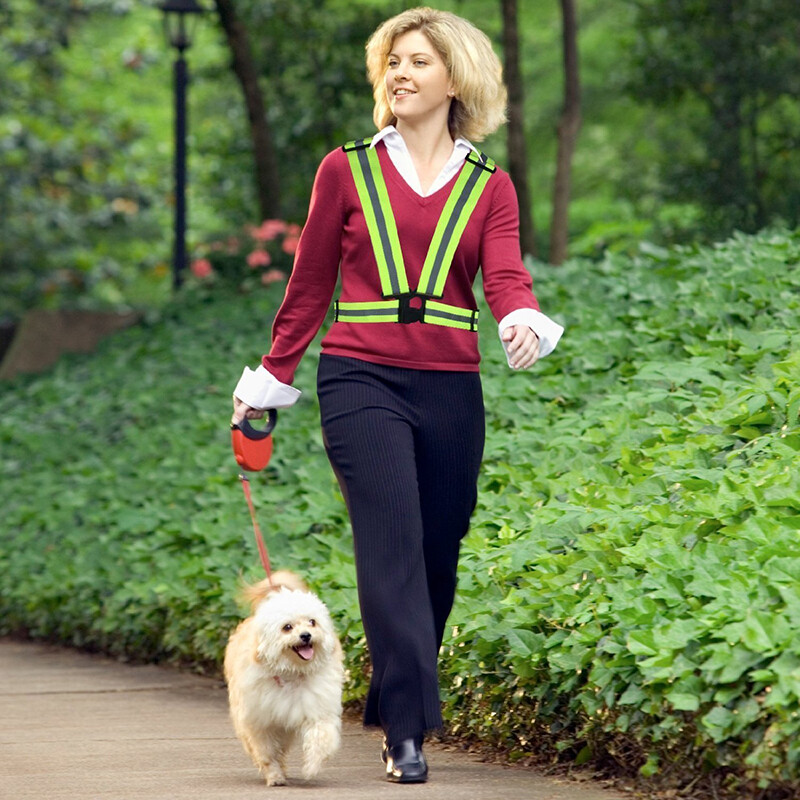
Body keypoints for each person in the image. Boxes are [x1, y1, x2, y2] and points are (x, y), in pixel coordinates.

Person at [231, 6, 563, 784]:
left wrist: (520, 318)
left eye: (418, 61)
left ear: (457, 78)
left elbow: (506, 275)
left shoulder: (491, 185)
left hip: (450, 387)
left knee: (435, 557)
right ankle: (409, 728)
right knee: (389, 546)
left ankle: (394, 693)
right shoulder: (343, 169)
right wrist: (269, 381)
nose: (401, 74)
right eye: (393, 62)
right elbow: (309, 283)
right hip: (359, 377)